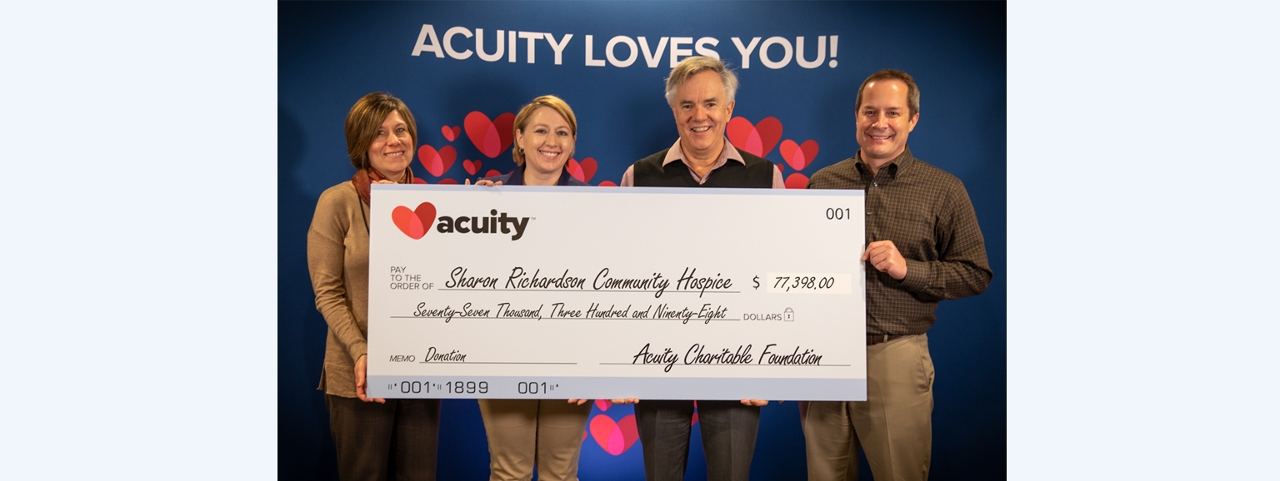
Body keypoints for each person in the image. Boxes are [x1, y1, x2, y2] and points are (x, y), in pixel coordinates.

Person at [801, 69, 993, 481]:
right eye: (870, 112)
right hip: (824, 357)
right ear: (856, 117)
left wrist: (909, 270)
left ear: (913, 119)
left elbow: (976, 274)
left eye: (893, 112)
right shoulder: (822, 182)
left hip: (895, 357)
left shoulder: (944, 189)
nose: (880, 123)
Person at [616, 56, 783, 481]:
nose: (699, 115)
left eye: (710, 103)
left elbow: (781, 276)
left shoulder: (767, 177)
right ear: (673, 111)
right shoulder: (638, 177)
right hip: (655, 362)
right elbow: (619, 275)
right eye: (686, 105)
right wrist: (619, 365)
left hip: (738, 363)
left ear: (729, 109)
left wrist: (770, 367)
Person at [307, 92, 441, 481]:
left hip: (421, 370)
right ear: (360, 144)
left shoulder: (440, 202)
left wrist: (485, 202)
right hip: (358, 374)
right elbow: (328, 293)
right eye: (379, 133)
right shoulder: (337, 203)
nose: (393, 141)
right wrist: (361, 351)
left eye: (401, 130)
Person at [473, 95, 592, 481]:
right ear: (519, 138)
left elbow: (608, 296)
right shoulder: (484, 202)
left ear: (573, 143)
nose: (551, 141)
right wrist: (469, 211)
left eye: (562, 132)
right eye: (540, 130)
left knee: (561, 474)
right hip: (501, 356)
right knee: (509, 473)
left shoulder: (598, 209)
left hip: (571, 362)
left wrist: (595, 363)